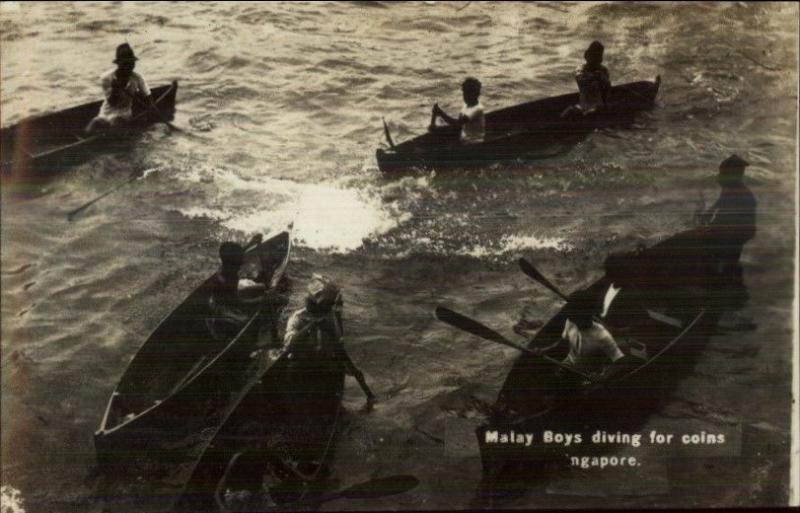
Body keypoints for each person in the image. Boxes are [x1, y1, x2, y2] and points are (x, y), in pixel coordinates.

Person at [284, 275, 376, 409]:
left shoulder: (330, 318)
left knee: (333, 375)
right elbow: (289, 347)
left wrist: (353, 371)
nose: (328, 308)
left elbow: (338, 348)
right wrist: (311, 325)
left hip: (324, 366)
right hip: (302, 365)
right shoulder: (297, 317)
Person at [86, 43, 154, 134]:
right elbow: (112, 102)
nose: (130, 66)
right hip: (106, 112)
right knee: (93, 125)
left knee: (115, 124)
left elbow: (147, 96)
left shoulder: (137, 78)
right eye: (126, 64)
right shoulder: (106, 78)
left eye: (131, 63)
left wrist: (150, 108)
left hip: (124, 113)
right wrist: (115, 89)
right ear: (119, 64)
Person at [208, 236, 267, 335]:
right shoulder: (226, 280)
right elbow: (239, 303)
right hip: (222, 306)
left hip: (228, 295)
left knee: (261, 286)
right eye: (240, 261)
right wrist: (261, 300)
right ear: (234, 262)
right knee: (245, 321)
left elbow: (239, 253)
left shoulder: (227, 264)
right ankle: (216, 325)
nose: (242, 262)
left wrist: (251, 243)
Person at [562, 41, 611, 118]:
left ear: (600, 58)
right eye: (593, 56)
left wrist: (602, 78)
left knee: (593, 112)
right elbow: (581, 81)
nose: (595, 59)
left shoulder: (604, 70)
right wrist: (594, 76)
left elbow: (607, 86)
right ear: (587, 56)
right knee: (569, 111)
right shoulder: (581, 69)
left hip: (598, 107)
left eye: (598, 56)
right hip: (584, 106)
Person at [429, 77, 486, 144]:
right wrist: (438, 129)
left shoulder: (476, 109)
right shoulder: (466, 107)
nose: (465, 96)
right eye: (464, 93)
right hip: (465, 141)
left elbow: (457, 124)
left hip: (474, 143)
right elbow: (457, 126)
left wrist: (442, 114)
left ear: (476, 94)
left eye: (469, 93)